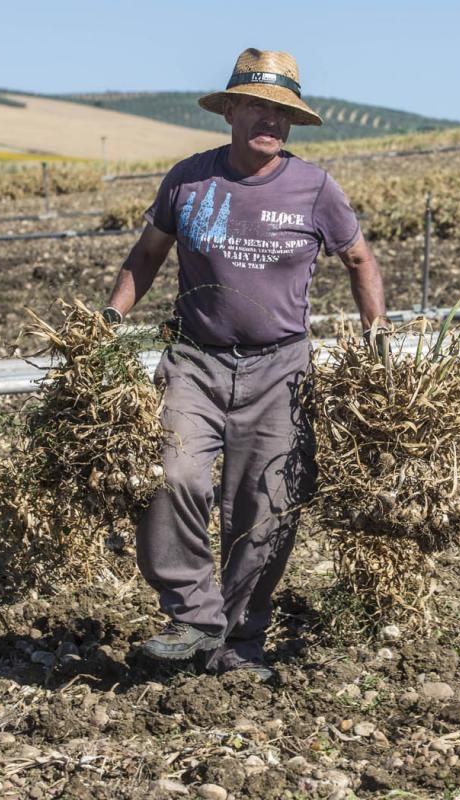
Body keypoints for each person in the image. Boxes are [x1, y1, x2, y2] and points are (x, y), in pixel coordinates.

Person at [102, 48, 386, 679]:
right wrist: (108, 321)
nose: (269, 120)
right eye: (257, 105)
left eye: (282, 111)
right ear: (229, 109)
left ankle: (238, 643)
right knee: (171, 474)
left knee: (264, 505)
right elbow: (146, 255)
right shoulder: (189, 179)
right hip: (194, 360)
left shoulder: (315, 188)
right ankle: (194, 618)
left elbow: (361, 261)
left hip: (280, 370)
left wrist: (378, 338)